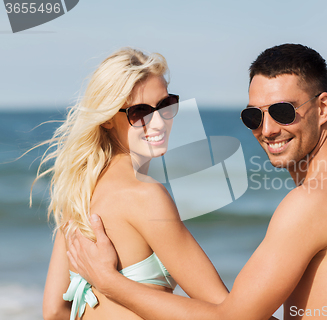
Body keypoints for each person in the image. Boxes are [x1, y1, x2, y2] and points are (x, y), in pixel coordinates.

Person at [68, 43, 327, 319]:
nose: (266, 130)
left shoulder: (309, 205)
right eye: (253, 116)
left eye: (283, 112)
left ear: (323, 107)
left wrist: (109, 283)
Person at [37, 48, 229, 320]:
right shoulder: (146, 195)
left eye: (165, 105)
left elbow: (55, 311)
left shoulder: (79, 193)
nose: (159, 121)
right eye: (139, 112)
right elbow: (227, 312)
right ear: (106, 119)